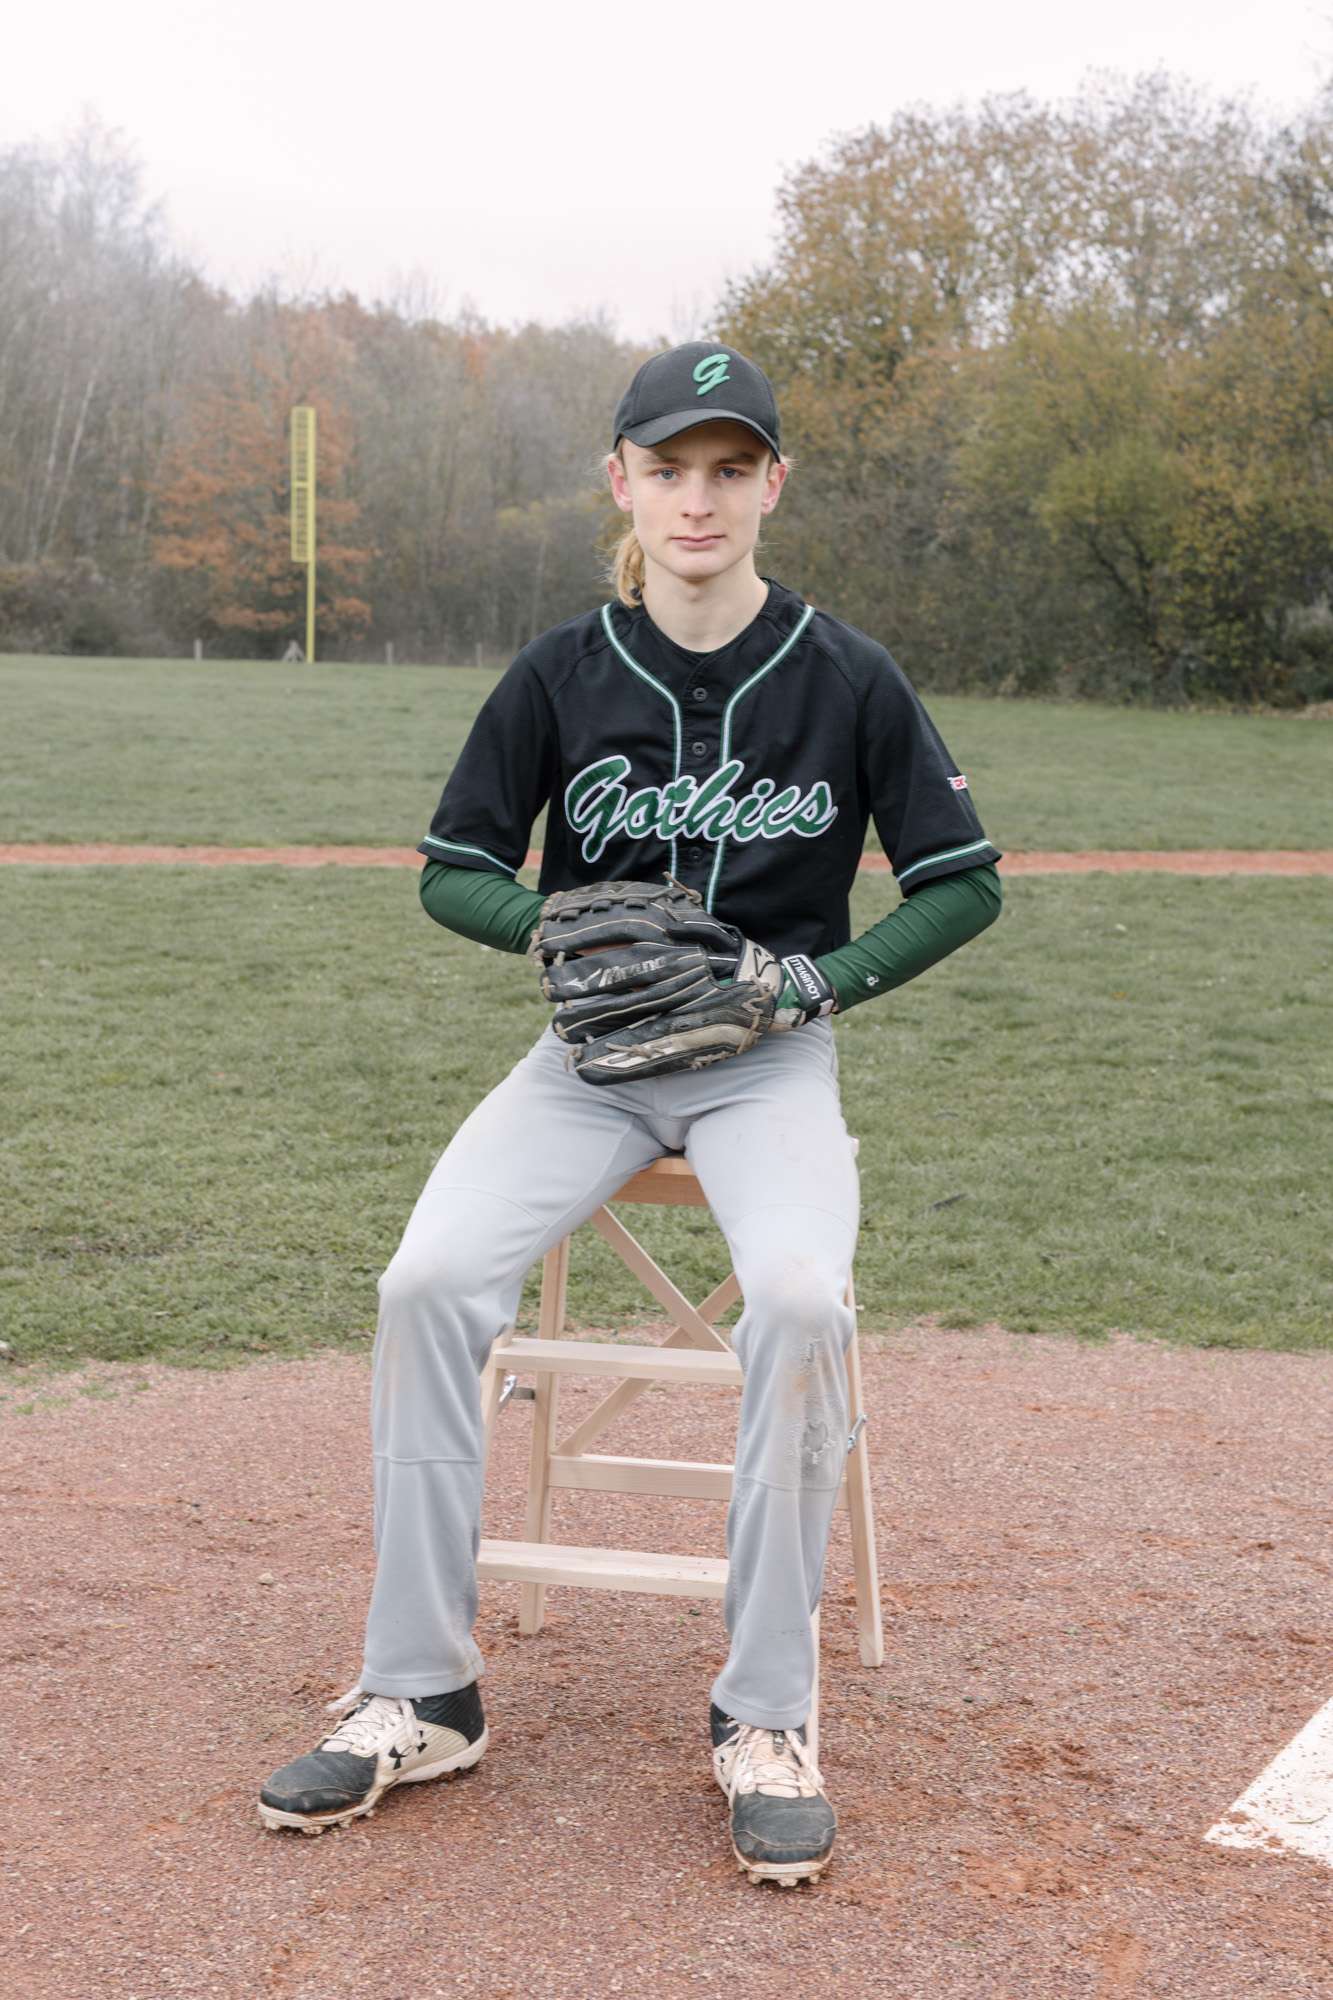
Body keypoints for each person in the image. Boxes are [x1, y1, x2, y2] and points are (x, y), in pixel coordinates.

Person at [258, 342, 1003, 1885]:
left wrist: (817, 988)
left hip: (765, 1062)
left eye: (731, 468)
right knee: (422, 1283)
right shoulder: (560, 670)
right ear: (622, 483)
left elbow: (959, 885)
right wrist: (550, 933)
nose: (698, 497)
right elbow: (452, 863)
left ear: (772, 485)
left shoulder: (849, 674)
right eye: (668, 468)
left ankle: (763, 1716)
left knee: (799, 1300)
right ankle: (421, 1688)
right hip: (588, 1064)